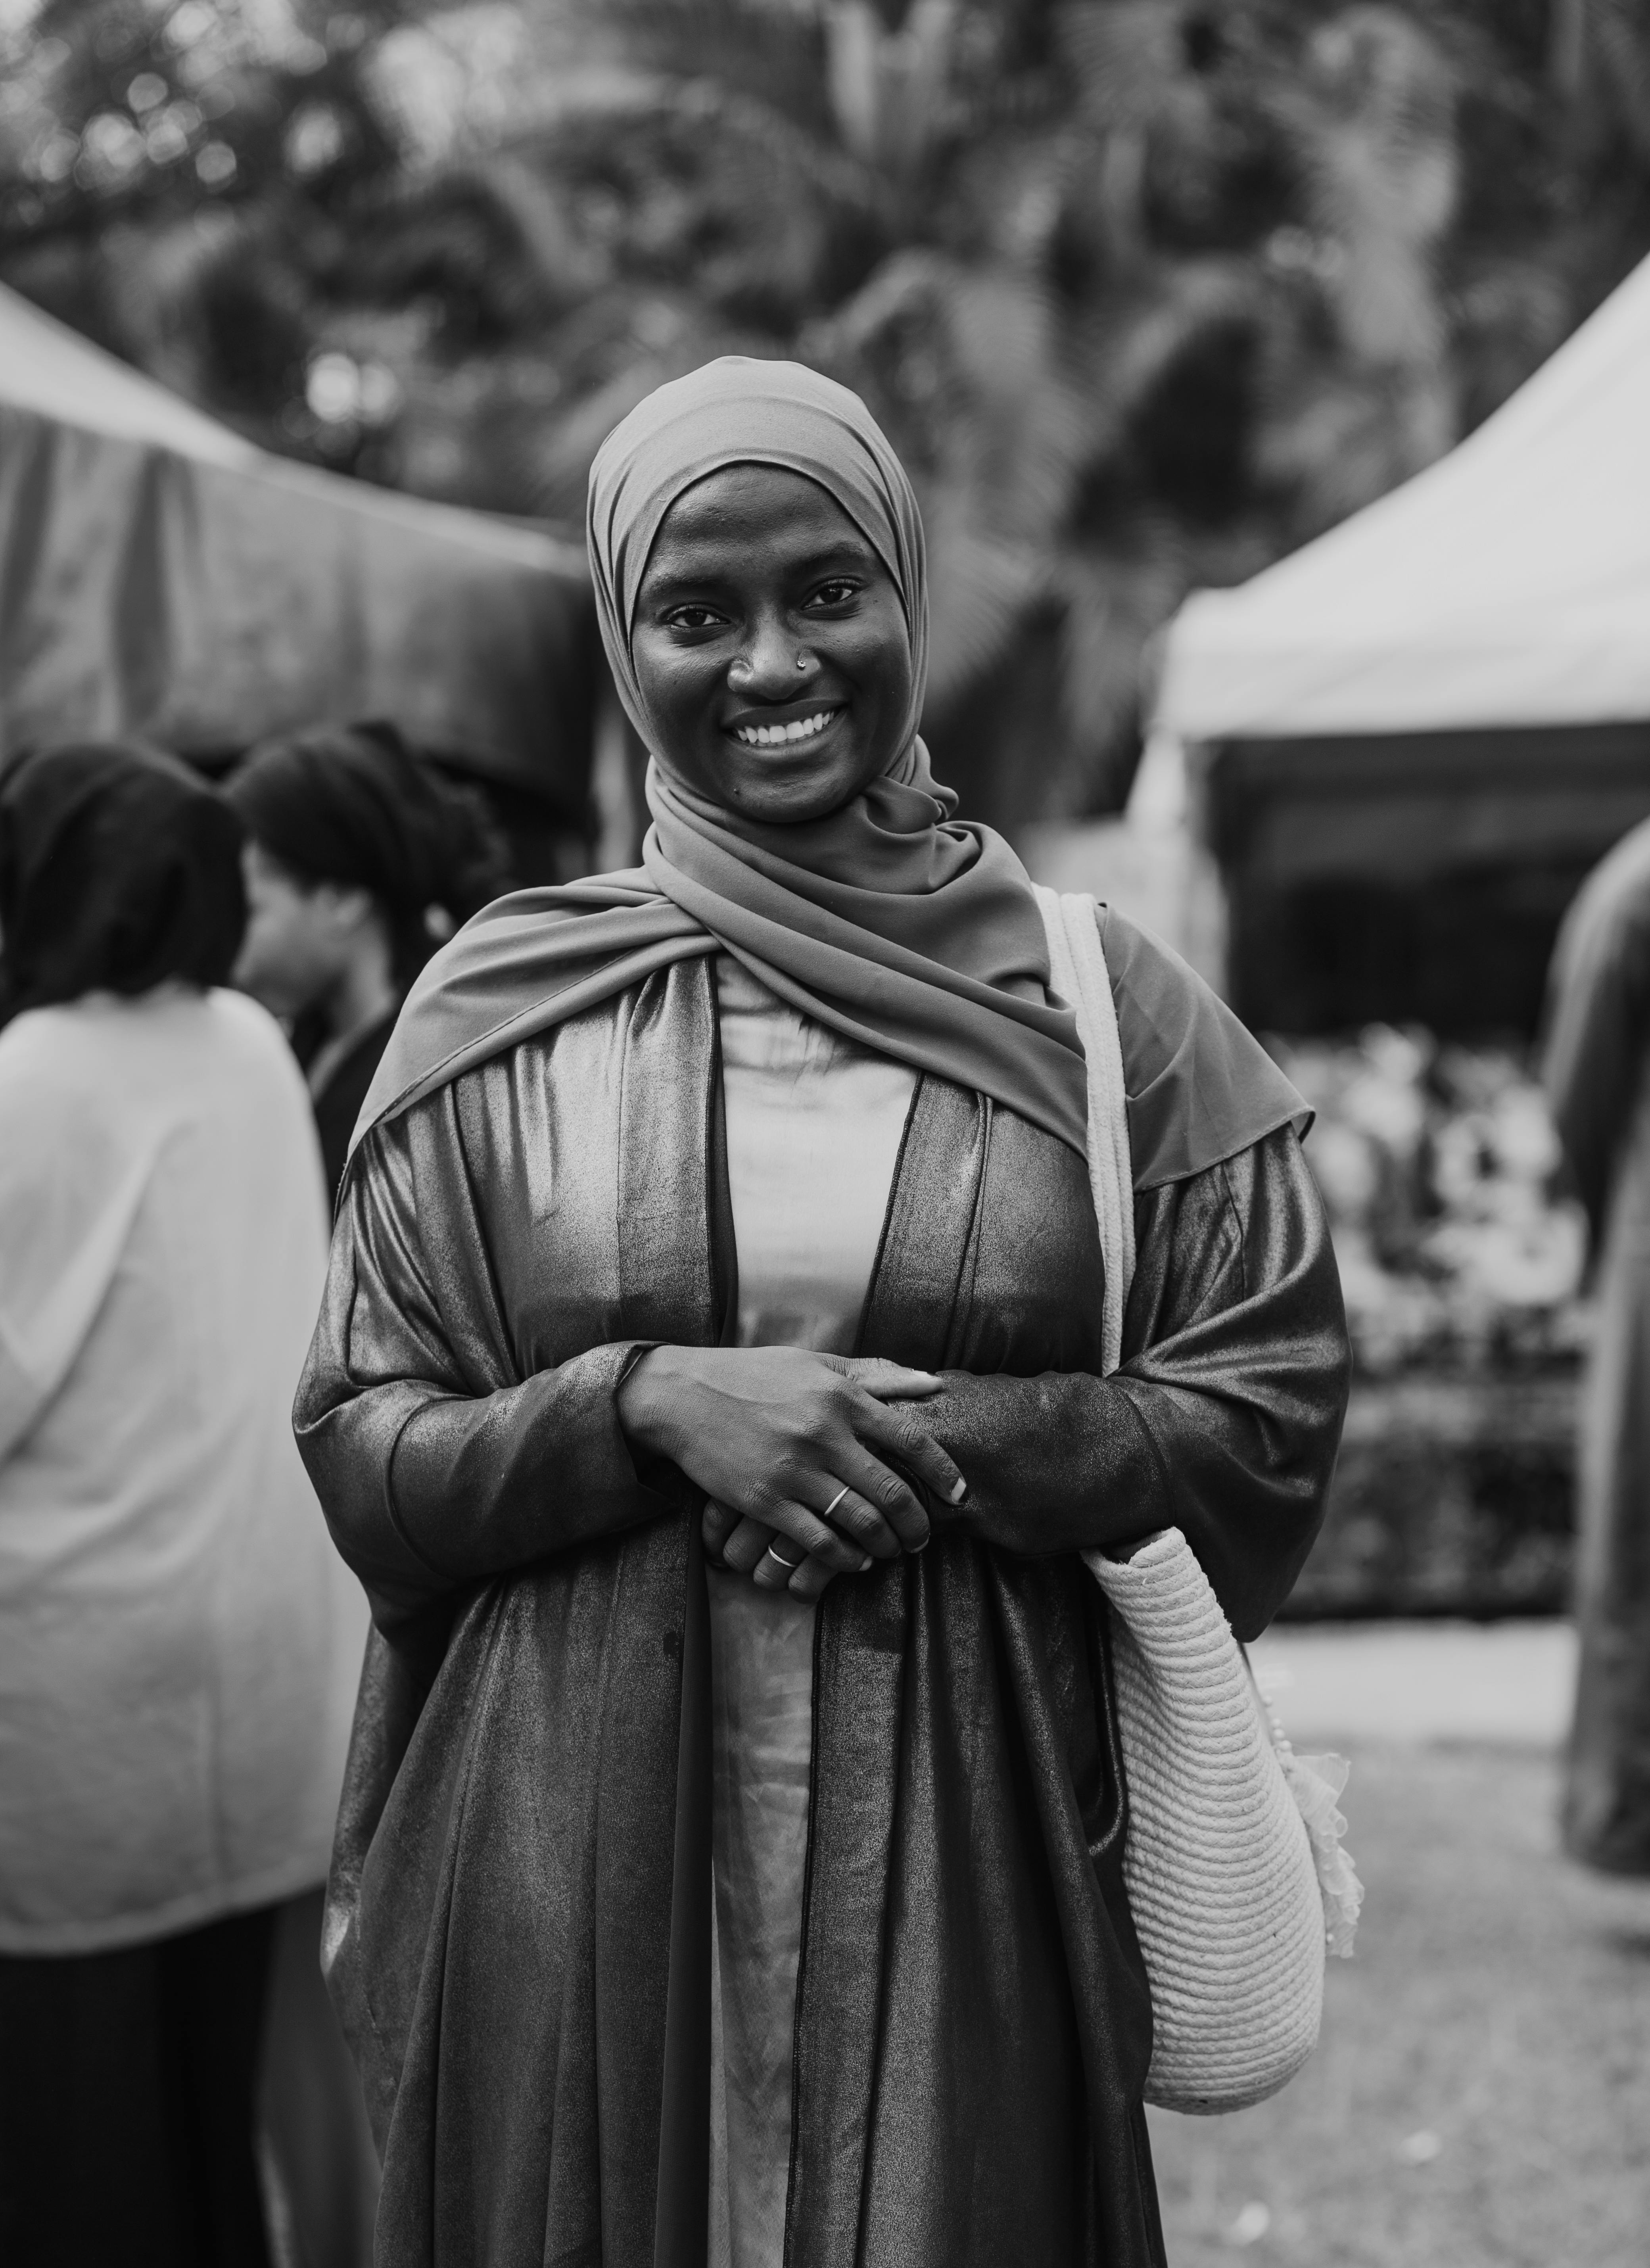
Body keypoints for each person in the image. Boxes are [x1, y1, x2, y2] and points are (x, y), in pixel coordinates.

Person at [294, 359, 1352, 2268]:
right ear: (625, 645)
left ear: (903, 595)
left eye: (824, 593)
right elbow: (368, 1456)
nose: (773, 660)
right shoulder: (499, 1010)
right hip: (569, 1885)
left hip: (974, 1873)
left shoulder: (1104, 1005)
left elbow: (1266, 1404)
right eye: (697, 612)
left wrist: (936, 1442)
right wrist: (639, 1405)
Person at [0, 743, 366, 2266]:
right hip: (269, 1673)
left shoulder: (38, 1076)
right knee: (213, 2124)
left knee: (76, 2141)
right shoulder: (247, 1046)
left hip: (88, 1699)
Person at [227, 721, 512, 1196]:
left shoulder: (429, 1081)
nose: (232, 953)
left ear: (342, 898)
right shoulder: (304, 1045)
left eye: (251, 912)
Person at [1544, 817, 1650, 1873]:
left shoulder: (1631, 884)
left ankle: (1623, 1813)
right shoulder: (1634, 891)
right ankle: (1625, 1815)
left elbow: (1578, 1095)